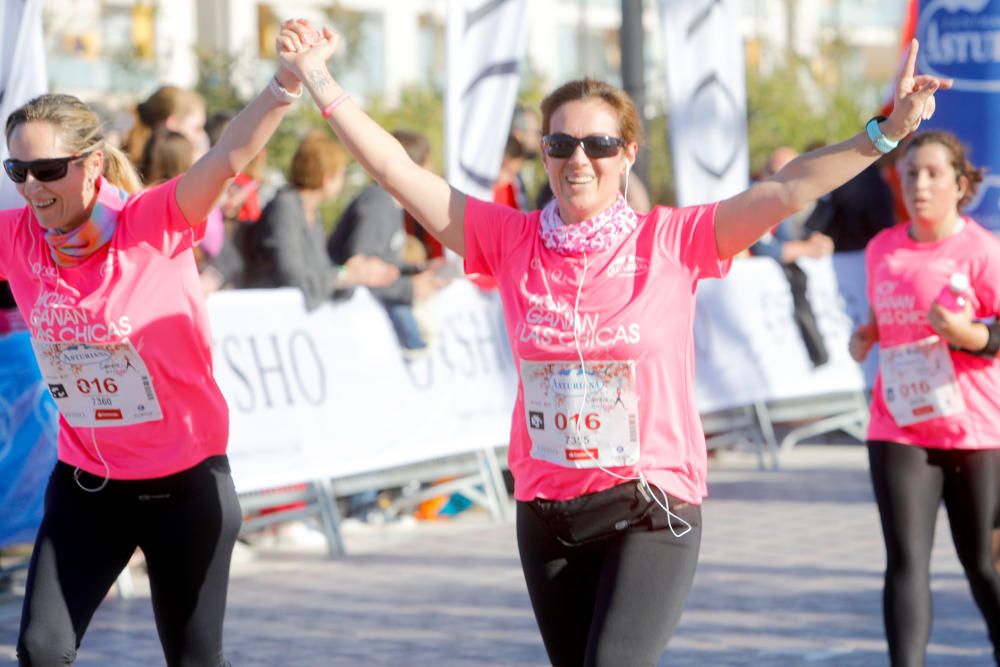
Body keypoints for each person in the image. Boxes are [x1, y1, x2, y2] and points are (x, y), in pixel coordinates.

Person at [275, 23, 945, 664]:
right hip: (548, 510)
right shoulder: (508, 239)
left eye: (597, 145)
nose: (579, 161)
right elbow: (395, 169)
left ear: (626, 153)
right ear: (544, 154)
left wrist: (885, 133)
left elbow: (785, 186)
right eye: (561, 145)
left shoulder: (672, 241)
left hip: (651, 504)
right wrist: (318, 77)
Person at [0, 21, 313, 665]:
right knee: (39, 649)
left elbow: (227, 157)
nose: (32, 186)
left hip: (186, 488)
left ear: (89, 166)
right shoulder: (17, 237)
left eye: (48, 169)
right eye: (18, 170)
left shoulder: (153, 222)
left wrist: (284, 83)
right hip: (88, 486)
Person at [848, 130, 1000, 665]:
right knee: (906, 561)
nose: (921, 184)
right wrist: (865, 336)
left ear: (960, 185)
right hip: (898, 424)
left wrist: (965, 333)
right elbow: (880, 322)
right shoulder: (882, 248)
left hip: (975, 428)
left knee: (982, 563)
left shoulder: (983, 250)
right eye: (911, 173)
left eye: (934, 173)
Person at [241, 129, 399, 309]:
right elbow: (291, 274)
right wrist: (345, 275)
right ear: (327, 177)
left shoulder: (311, 213)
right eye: (341, 174)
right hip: (268, 311)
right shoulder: (285, 208)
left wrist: (350, 272)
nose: (343, 180)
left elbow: (321, 268)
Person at [326, 129, 447, 350]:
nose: (432, 173)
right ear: (414, 167)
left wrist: (419, 268)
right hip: (345, 329)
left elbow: (382, 262)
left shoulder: (389, 204)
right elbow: (362, 269)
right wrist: (409, 288)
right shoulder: (378, 202)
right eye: (429, 165)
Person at [750, 146, 835, 366]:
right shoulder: (754, 202)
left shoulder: (787, 205)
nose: (784, 183)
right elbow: (765, 249)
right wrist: (807, 249)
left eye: (791, 176)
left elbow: (789, 238)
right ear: (764, 173)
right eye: (778, 174)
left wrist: (815, 242)